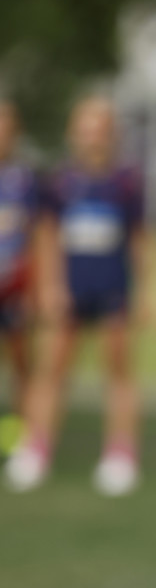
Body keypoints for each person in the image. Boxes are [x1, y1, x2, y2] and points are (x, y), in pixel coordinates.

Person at [4, 96, 150, 495]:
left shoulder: (126, 182)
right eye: (86, 129)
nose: (93, 137)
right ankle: (35, 449)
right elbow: (45, 237)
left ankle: (120, 455)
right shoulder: (58, 182)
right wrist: (49, 287)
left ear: (112, 134)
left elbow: (139, 239)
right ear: (74, 134)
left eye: (100, 129)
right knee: (50, 370)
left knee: (119, 371)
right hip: (68, 290)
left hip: (113, 288)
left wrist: (144, 291)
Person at [0, 101, 39, 438]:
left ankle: (22, 436)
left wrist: (32, 289)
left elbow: (36, 237)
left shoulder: (23, 180)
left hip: (12, 287)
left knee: (21, 362)